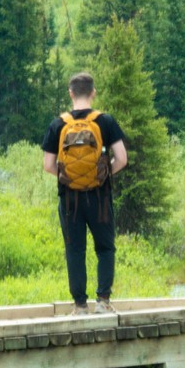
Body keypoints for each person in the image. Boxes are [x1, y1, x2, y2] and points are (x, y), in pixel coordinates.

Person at [41, 72, 129, 314]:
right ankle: (103, 301)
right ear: (93, 93)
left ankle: (80, 306)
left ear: (70, 93)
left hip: (70, 200)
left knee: (75, 250)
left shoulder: (58, 124)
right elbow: (122, 159)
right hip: (99, 198)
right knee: (105, 248)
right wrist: (103, 175)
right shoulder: (105, 121)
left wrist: (69, 179)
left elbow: (48, 165)